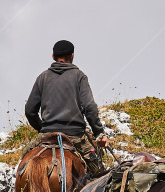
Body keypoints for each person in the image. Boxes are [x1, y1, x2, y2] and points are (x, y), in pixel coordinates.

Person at [22, 40, 108, 173]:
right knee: (98, 172)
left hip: (47, 134)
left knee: (24, 156)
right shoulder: (80, 76)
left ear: (53, 56)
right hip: (75, 135)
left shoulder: (42, 77)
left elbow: (29, 111)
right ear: (72, 56)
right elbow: (89, 106)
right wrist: (99, 133)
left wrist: (43, 129)